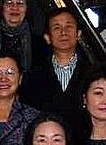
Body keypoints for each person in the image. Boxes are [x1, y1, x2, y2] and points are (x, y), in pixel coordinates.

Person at [22, 8, 89, 136]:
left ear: (78, 34)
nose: (63, 32)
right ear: (47, 37)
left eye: (69, 26)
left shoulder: (93, 73)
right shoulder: (33, 76)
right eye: (57, 27)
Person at [0, 0, 44, 86]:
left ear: (27, 8)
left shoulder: (38, 43)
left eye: (20, 3)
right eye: (9, 3)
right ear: (2, 7)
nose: (14, 7)